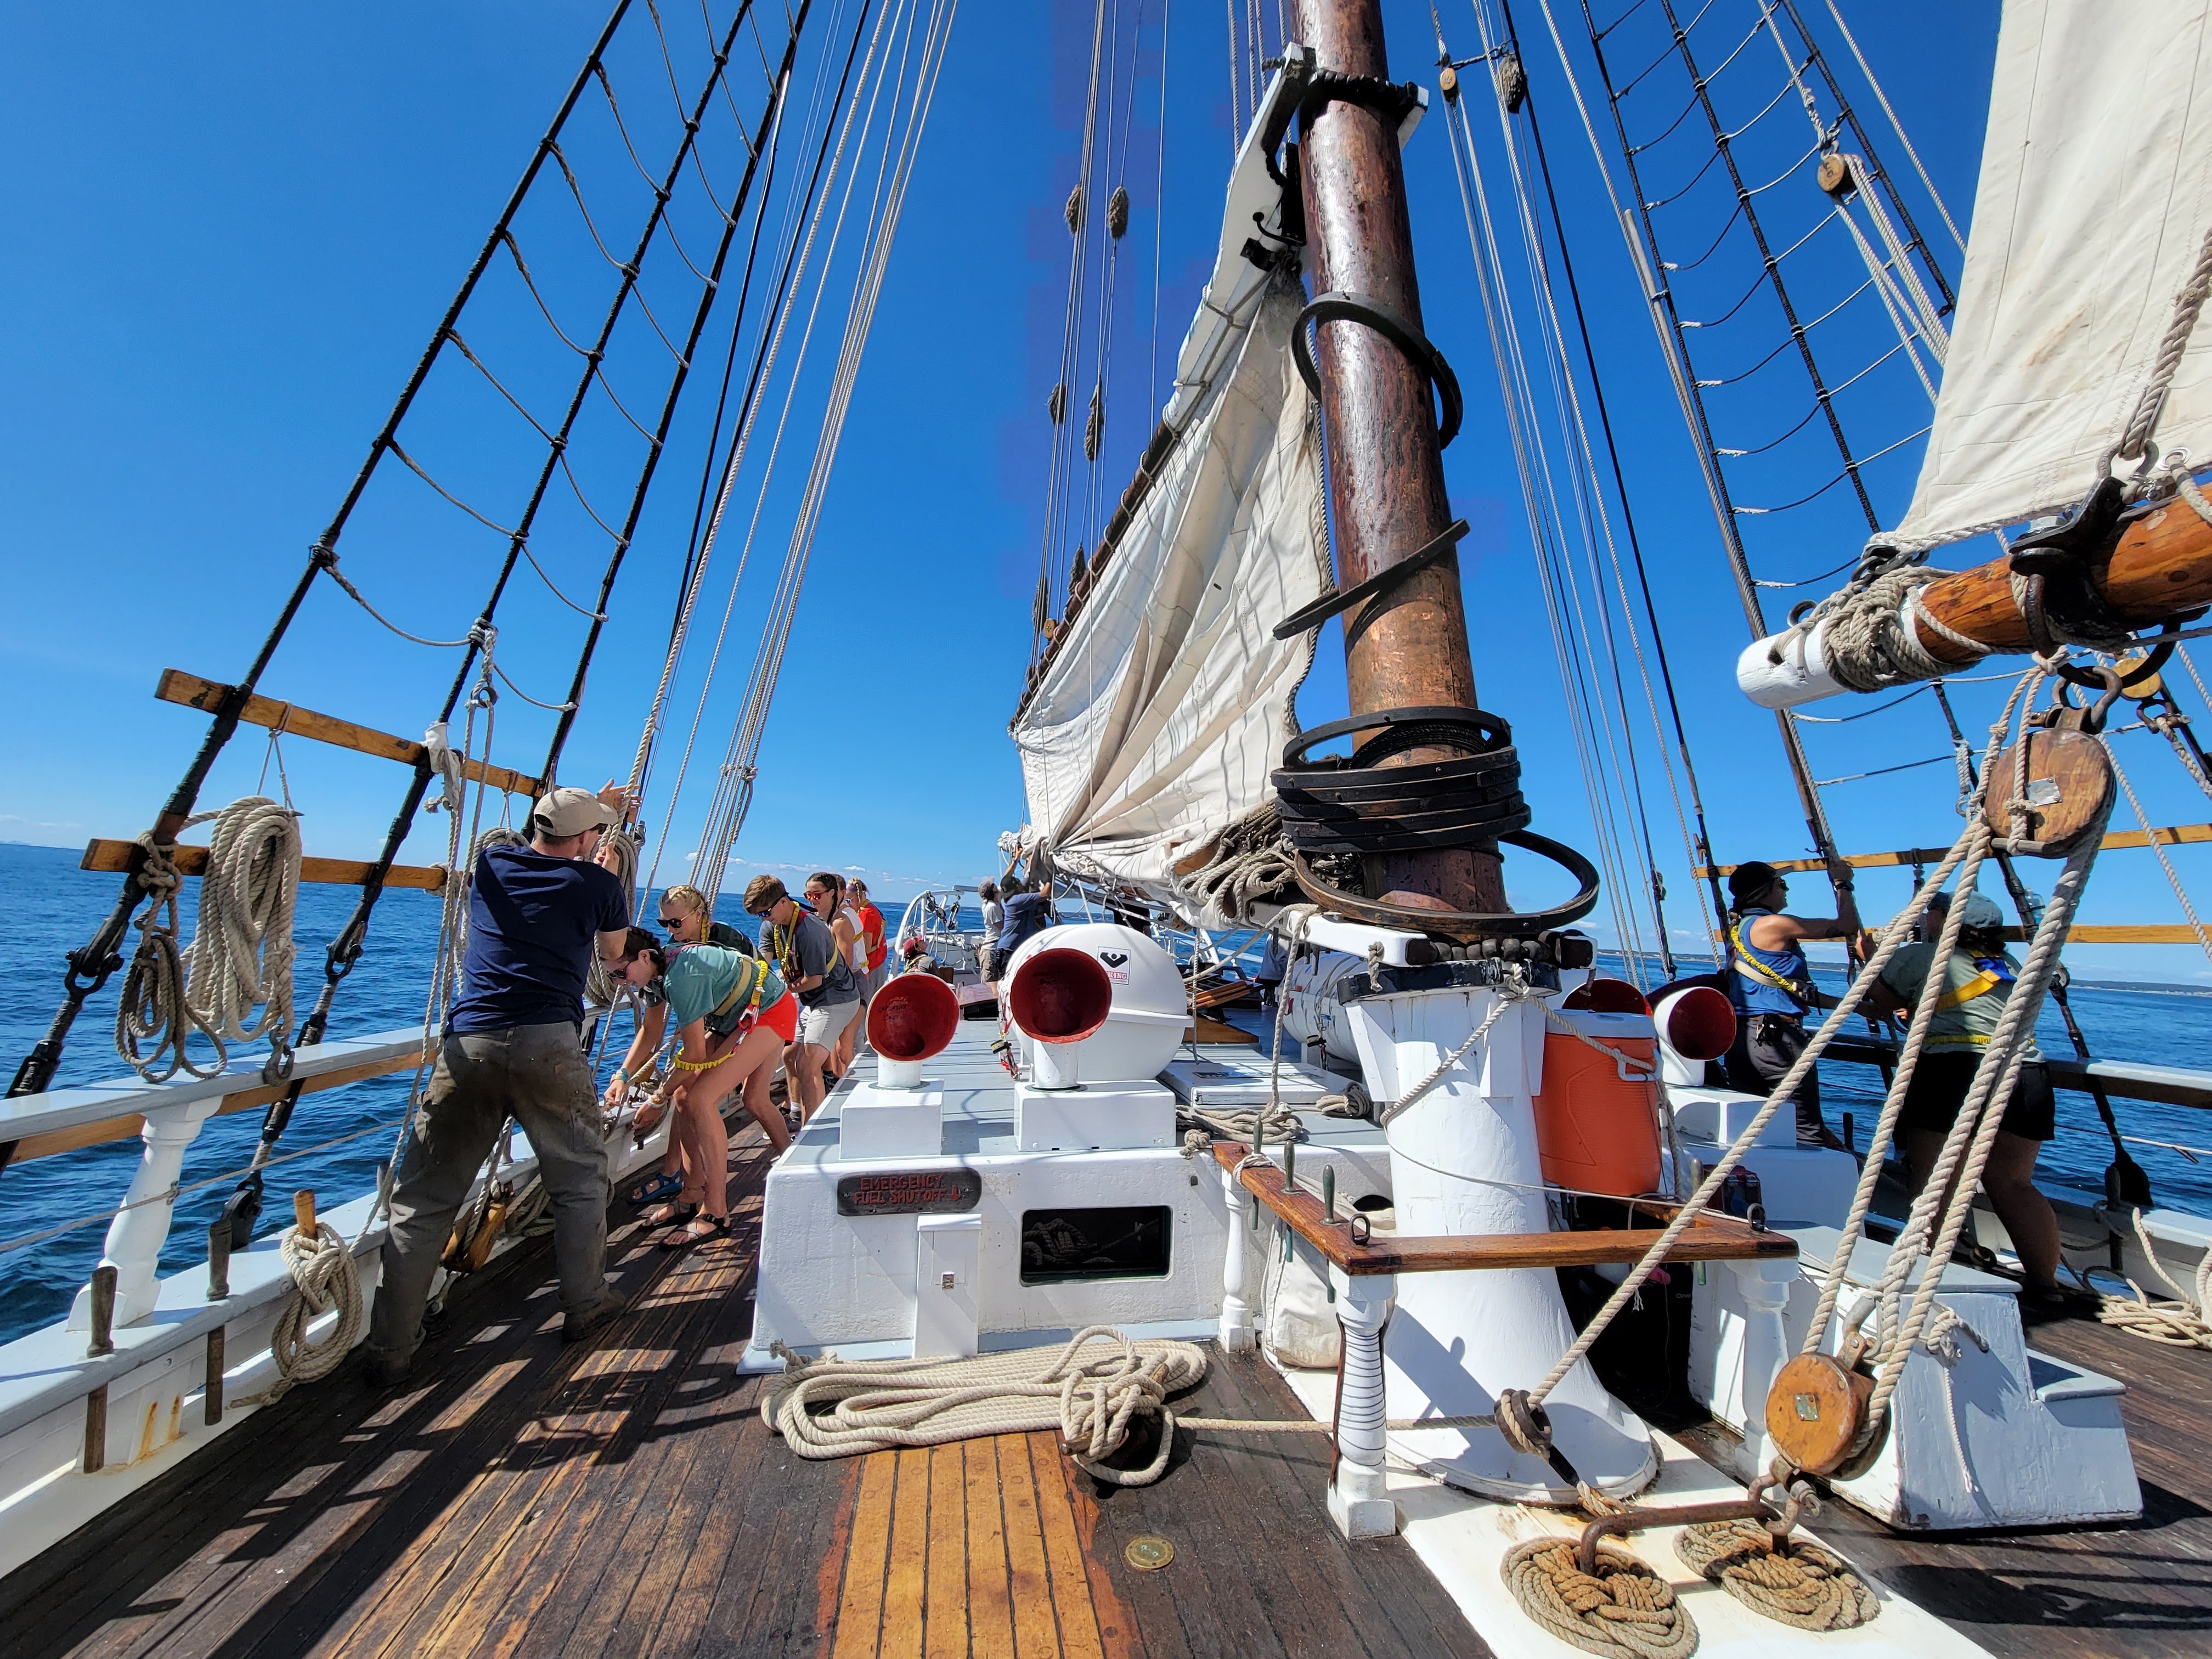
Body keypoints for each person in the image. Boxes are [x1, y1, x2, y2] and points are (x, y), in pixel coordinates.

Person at [366, 784, 633, 1386]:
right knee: (579, 1182)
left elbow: (544, 839)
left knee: (425, 1200)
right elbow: (614, 954)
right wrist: (604, 874)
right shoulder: (597, 885)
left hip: (472, 1045)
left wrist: (594, 816)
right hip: (548, 1045)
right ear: (589, 839)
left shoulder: (492, 863)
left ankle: (389, 1349)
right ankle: (586, 1306)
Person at [1868, 890, 2066, 1299]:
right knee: (2013, 1184)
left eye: (1931, 914)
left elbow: (1878, 1003)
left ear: (1943, 919)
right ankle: (2047, 1286)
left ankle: (1930, 1284)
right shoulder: (2009, 965)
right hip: (2025, 1073)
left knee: (1932, 1184)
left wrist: (1880, 956)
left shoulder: (1924, 956)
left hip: (1953, 1070)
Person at [608, 927, 794, 1243]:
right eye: (614, 977)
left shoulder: (681, 976)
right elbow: (651, 1031)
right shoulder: (653, 974)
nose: (621, 982)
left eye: (622, 973)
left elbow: (693, 1054)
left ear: (643, 957)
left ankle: (716, 1212)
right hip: (736, 1017)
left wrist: (656, 1100)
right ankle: (692, 1193)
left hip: (768, 1011)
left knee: (699, 1101)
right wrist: (622, 1075)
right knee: (689, 1096)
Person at [1720, 859, 1863, 1149]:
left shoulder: (1741, 931)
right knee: (1805, 1133)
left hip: (1742, 1039)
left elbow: (1786, 988)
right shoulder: (1775, 925)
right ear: (1762, 892)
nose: (1786, 890)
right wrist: (1842, 884)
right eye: (1780, 884)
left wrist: (1853, 1006)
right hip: (1776, 1041)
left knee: (1754, 1132)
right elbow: (1847, 926)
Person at [746, 873, 859, 1120]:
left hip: (836, 999)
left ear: (783, 901)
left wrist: (780, 990)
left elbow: (815, 980)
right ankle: (797, 1110)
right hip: (813, 1000)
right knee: (789, 1057)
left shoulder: (810, 930)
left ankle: (813, 1129)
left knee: (808, 1066)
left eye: (766, 912)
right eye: (759, 915)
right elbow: (763, 965)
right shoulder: (771, 926)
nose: (765, 919)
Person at [805, 872, 866, 1076]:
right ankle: (836, 1084)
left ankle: (849, 1089)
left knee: (844, 1048)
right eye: (808, 895)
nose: (812, 900)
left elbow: (844, 965)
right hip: (839, 986)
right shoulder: (830, 918)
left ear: (833, 894)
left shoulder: (841, 922)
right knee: (833, 1045)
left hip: (851, 985)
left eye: (817, 895)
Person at [849, 879, 890, 1049]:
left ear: (858, 897)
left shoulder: (866, 914)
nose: (848, 904)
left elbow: (864, 946)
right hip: (877, 965)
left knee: (864, 1008)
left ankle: (862, 1047)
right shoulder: (872, 910)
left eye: (849, 900)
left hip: (871, 968)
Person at [658, 883, 755, 955]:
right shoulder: (675, 943)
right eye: (664, 923)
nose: (669, 930)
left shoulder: (728, 941)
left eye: (675, 923)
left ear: (698, 915)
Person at [996, 876, 1057, 965]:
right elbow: (1044, 895)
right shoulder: (1018, 900)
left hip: (1012, 949)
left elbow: (1026, 877)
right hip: (1009, 951)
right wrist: (1049, 878)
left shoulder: (1012, 900)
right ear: (1017, 887)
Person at [976, 879, 1006, 999]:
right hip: (991, 951)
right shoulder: (992, 907)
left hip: (991, 949)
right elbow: (1002, 927)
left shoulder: (993, 903)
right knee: (990, 988)